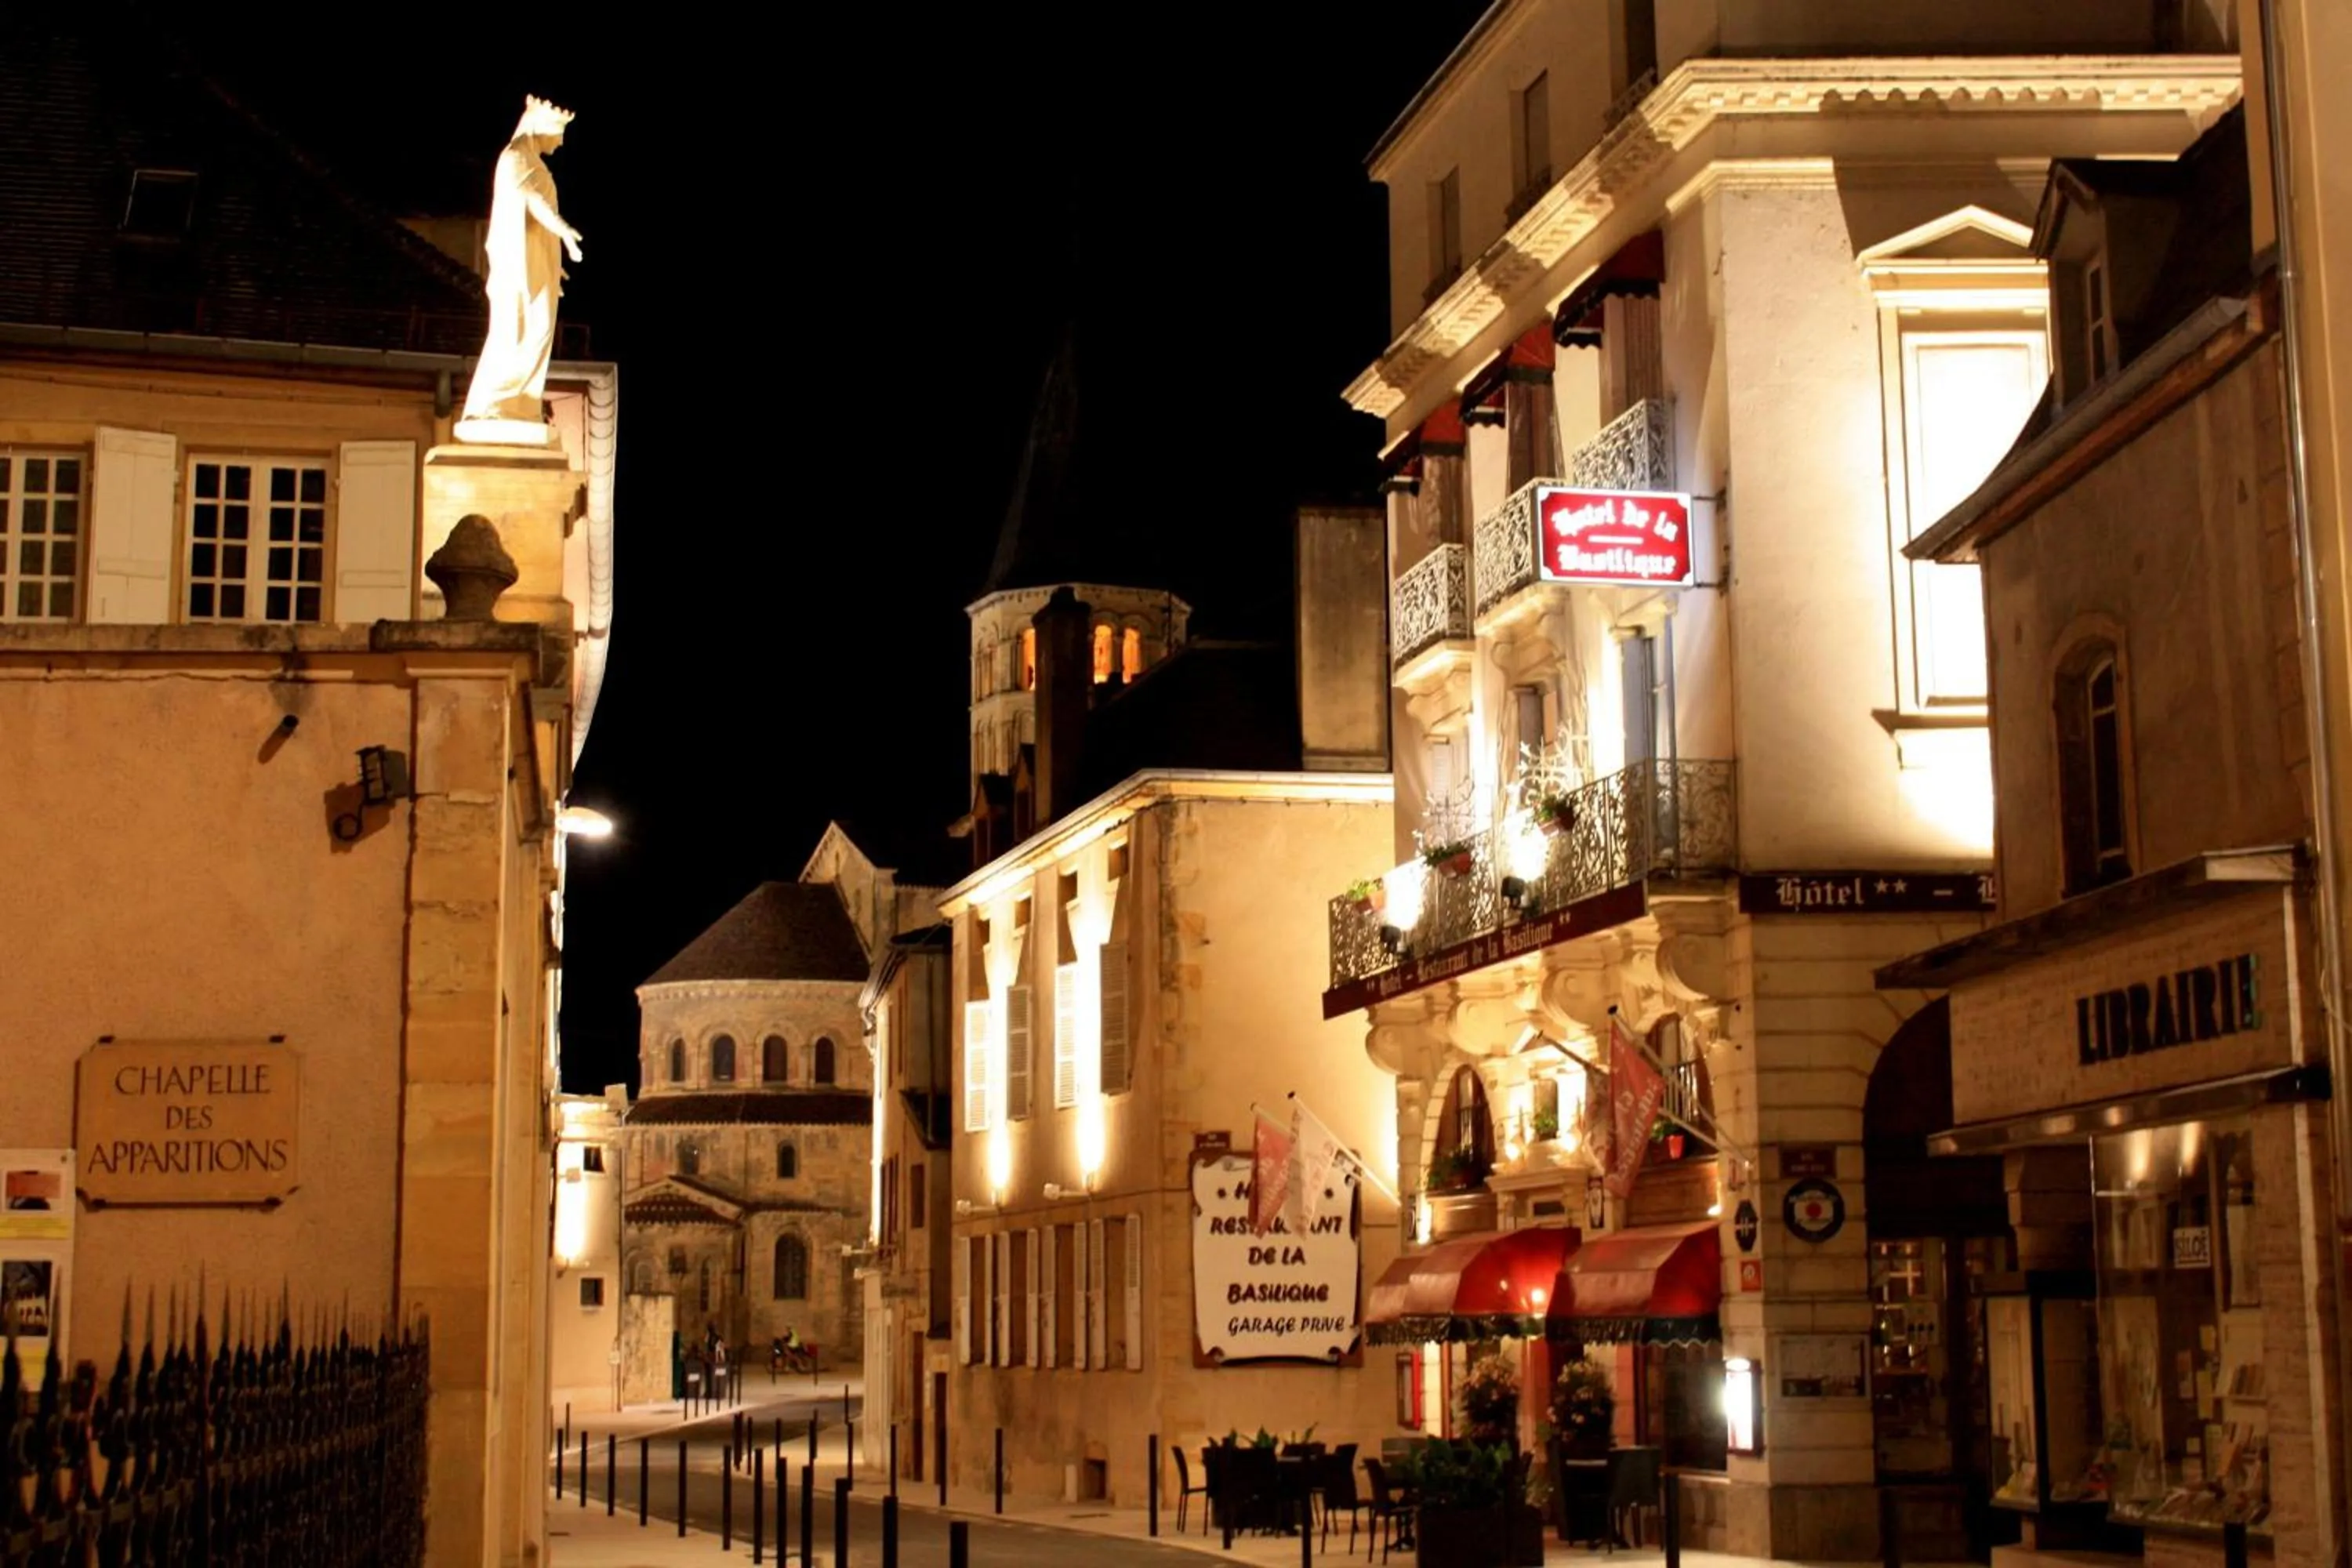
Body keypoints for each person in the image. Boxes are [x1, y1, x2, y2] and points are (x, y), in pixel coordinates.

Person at [459, 96, 584, 434]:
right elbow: (533, 201)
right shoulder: (515, 158)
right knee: (514, 332)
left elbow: (534, 217)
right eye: (558, 134)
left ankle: (519, 403)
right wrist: (566, 231)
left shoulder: (533, 162)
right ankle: (493, 403)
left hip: (536, 263)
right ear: (540, 128)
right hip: (516, 269)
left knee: (537, 330)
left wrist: (553, 260)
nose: (559, 143)